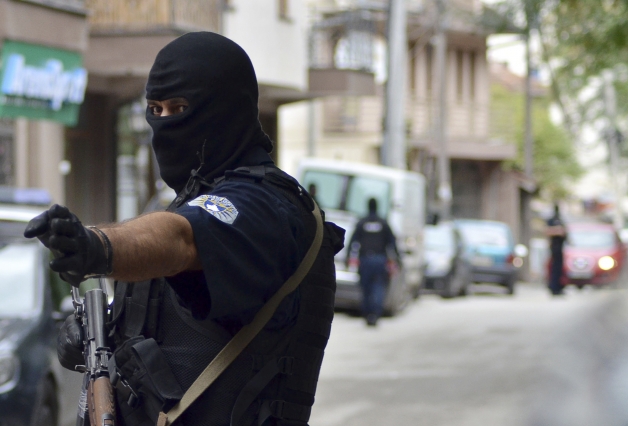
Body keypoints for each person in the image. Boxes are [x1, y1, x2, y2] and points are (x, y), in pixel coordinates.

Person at [24, 32, 344, 426]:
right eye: (154, 109)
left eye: (179, 108)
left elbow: (181, 240)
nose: (163, 123)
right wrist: (102, 335)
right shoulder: (193, 200)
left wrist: (99, 246)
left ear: (227, 110)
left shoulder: (267, 207)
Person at [347, 198, 399, 326]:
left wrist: (348, 257)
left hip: (365, 260)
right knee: (378, 287)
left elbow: (352, 242)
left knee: (366, 288)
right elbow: (392, 242)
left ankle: (367, 314)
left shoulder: (362, 223)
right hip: (380, 260)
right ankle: (375, 314)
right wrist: (398, 259)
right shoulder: (383, 223)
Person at [546, 203, 567, 295]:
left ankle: (559, 287)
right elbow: (547, 231)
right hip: (554, 248)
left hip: (560, 248)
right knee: (553, 268)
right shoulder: (551, 220)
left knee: (559, 269)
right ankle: (553, 287)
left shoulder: (561, 220)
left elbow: (564, 232)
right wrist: (557, 231)